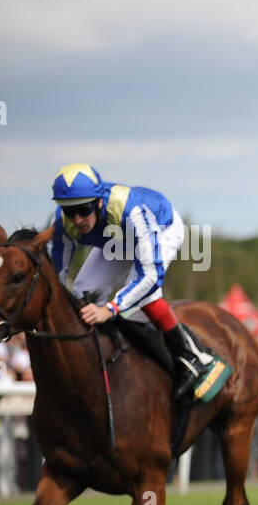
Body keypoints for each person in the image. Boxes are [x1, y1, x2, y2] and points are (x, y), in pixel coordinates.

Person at [48, 163, 230, 402]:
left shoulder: (131, 211)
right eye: (70, 211)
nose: (78, 219)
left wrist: (109, 309)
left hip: (162, 227)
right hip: (115, 239)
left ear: (99, 201)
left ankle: (192, 355)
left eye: (83, 209)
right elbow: (56, 277)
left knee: (143, 296)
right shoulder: (61, 221)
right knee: (84, 290)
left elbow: (151, 277)